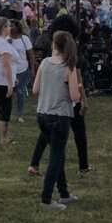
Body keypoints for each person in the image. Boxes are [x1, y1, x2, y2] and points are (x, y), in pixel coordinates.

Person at [31, 30, 81, 210]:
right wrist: (77, 88)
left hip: (42, 114)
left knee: (58, 154)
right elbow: (75, 97)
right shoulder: (69, 67)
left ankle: (64, 192)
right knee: (56, 158)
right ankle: (46, 199)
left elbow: (35, 90)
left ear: (54, 45)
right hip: (60, 116)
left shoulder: (44, 63)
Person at [8, 20, 34, 123]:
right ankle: (7, 112)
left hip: (23, 69)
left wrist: (32, 69)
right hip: (10, 70)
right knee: (9, 92)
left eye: (12, 26)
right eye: (9, 26)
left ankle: (20, 114)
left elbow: (31, 55)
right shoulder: (7, 39)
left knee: (20, 92)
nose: (10, 28)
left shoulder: (24, 39)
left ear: (18, 27)